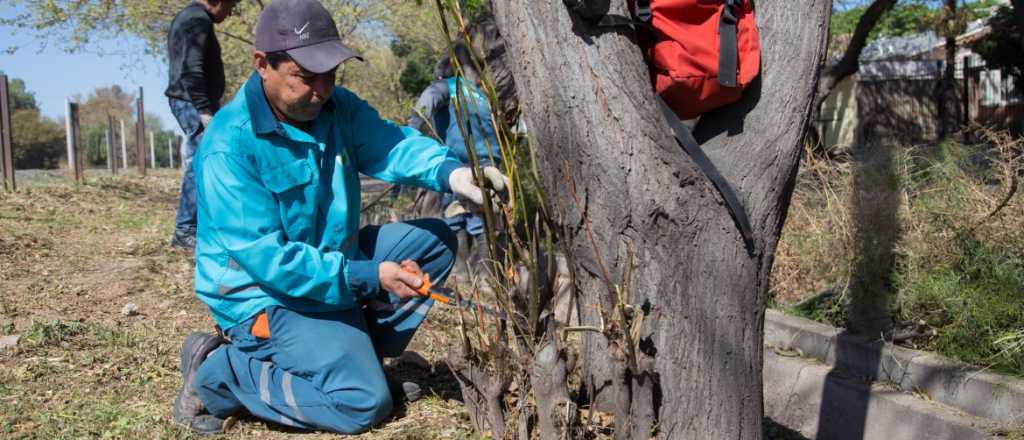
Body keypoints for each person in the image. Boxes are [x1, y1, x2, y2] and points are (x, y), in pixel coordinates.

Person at [171, 0, 508, 435]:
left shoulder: (335, 108)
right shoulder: (228, 146)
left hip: (332, 263)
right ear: (262, 65)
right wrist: (369, 275)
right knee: (362, 402)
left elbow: (391, 145)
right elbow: (271, 262)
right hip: (267, 295)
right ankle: (218, 375)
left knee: (436, 242)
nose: (322, 89)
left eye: (330, 75)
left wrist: (454, 173)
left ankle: (351, 353)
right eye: (306, 77)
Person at [407, 44, 504, 276]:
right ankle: (487, 279)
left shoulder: (444, 87)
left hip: (460, 163)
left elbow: (423, 108)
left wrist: (408, 138)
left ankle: (460, 274)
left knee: (455, 214)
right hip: (490, 162)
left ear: (442, 74)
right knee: (482, 215)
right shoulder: (480, 93)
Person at [165, 0, 237, 249]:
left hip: (190, 100)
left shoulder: (190, 16)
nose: (231, 11)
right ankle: (185, 231)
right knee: (201, 162)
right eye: (231, 5)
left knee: (208, 161)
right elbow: (190, 69)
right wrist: (205, 110)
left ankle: (203, 226)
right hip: (192, 102)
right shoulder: (198, 20)